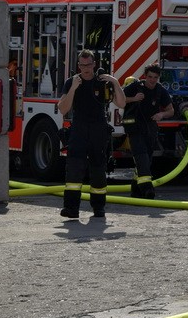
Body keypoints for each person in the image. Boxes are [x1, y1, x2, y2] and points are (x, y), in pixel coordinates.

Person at [57, 49, 126, 219]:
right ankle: (71, 208)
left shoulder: (103, 81)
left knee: (98, 169)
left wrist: (115, 82)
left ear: (94, 64)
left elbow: (121, 103)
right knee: (74, 168)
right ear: (78, 65)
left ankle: (98, 208)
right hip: (79, 128)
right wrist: (73, 88)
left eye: (88, 65)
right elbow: (63, 109)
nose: (85, 68)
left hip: (98, 129)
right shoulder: (72, 81)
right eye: (82, 65)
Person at [122, 63, 174, 199]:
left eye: (155, 77)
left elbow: (171, 110)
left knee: (147, 159)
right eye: (150, 77)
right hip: (134, 127)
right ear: (145, 76)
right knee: (141, 155)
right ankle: (147, 189)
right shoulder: (135, 87)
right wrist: (134, 99)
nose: (152, 80)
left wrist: (161, 115)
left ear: (158, 78)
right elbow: (119, 100)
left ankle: (135, 189)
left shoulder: (160, 90)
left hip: (150, 128)